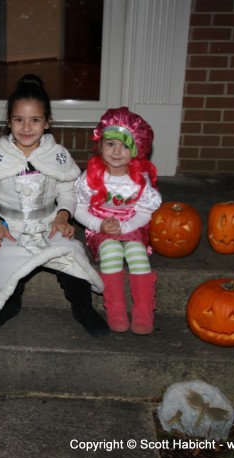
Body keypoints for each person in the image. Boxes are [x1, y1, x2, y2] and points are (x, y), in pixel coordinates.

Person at [0, 74, 110, 337]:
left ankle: (83, 308)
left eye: (35, 120)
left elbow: (68, 191)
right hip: (10, 229)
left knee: (71, 255)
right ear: (9, 121)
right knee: (0, 260)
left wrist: (62, 216)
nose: (26, 127)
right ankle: (9, 304)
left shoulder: (56, 156)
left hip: (49, 225)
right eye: (18, 119)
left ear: (47, 123)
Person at [74, 107, 161, 334]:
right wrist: (97, 225)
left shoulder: (139, 180)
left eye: (124, 145)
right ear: (100, 145)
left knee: (136, 253)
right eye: (110, 144)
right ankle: (116, 307)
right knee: (112, 251)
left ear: (136, 149)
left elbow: (144, 212)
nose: (116, 151)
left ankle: (143, 309)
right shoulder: (92, 176)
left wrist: (126, 226)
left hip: (132, 225)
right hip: (100, 225)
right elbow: (79, 209)